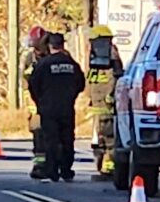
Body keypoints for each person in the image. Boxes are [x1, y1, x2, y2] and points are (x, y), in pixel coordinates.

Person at [28, 33, 85, 183]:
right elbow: (81, 84)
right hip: (66, 107)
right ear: (62, 45)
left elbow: (33, 85)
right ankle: (66, 170)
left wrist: (40, 101)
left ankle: (52, 171)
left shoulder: (43, 64)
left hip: (48, 108)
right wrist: (70, 96)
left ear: (50, 46)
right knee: (67, 139)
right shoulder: (72, 64)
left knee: (51, 140)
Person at [86, 25, 123, 180]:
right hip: (97, 103)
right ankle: (103, 165)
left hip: (106, 104)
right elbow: (91, 79)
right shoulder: (95, 57)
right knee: (100, 136)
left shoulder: (111, 55)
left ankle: (109, 167)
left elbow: (115, 76)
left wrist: (110, 95)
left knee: (108, 135)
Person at [21, 25, 51, 180]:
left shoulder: (53, 56)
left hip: (52, 101)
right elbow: (25, 81)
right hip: (36, 103)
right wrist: (31, 104)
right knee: (38, 135)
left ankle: (55, 164)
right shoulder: (30, 58)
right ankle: (39, 165)